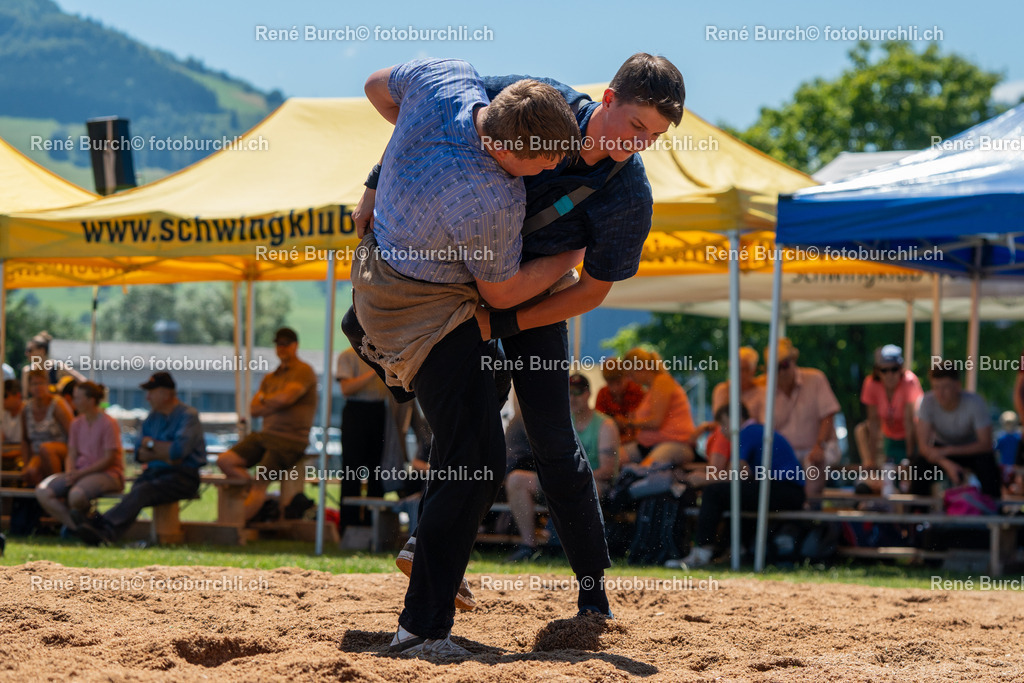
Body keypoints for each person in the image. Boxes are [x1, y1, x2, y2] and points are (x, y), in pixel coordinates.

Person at [350, 54, 685, 625]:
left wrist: (501, 323)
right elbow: (424, 123)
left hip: (532, 300)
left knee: (552, 438)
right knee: (469, 425)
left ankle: (592, 592)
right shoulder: (536, 96)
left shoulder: (628, 197)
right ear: (607, 99)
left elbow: (590, 294)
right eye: (635, 127)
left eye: (654, 137)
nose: (640, 145)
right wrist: (376, 185)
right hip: (455, 282)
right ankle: (432, 558)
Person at [347, 58, 584, 658]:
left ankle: (426, 558)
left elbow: (376, 86)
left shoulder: (445, 80)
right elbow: (503, 294)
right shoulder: (490, 197)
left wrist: (388, 173)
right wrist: (571, 255)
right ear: (504, 146)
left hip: (378, 277)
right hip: (421, 311)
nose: (554, 167)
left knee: (479, 424)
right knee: (477, 457)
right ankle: (421, 628)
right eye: (544, 160)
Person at [666, 403, 806, 568]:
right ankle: (735, 550)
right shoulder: (757, 431)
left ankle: (702, 552)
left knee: (714, 492)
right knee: (734, 495)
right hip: (789, 491)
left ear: (737, 418)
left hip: (783, 489)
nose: (723, 430)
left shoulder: (747, 432)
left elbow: (739, 473)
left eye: (724, 424)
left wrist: (705, 480)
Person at [75, 372, 205, 546]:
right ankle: (103, 529)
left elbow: (177, 452)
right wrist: (163, 451)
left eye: (151, 392)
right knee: (141, 489)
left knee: (143, 490)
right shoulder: (152, 418)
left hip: (183, 477)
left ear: (166, 394)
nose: (147, 397)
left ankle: (100, 525)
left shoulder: (188, 416)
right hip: (155, 473)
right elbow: (138, 454)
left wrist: (151, 446)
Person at [505, 374, 619, 563]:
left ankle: (581, 549)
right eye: (569, 393)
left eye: (578, 393)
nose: (573, 398)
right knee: (516, 479)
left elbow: (608, 471)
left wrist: (572, 477)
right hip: (563, 480)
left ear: (588, 394)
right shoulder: (560, 422)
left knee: (586, 487)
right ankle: (529, 546)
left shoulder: (605, 425)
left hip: (594, 483)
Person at [217, 327, 317, 522]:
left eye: (286, 344)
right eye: (278, 344)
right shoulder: (270, 377)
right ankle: (255, 501)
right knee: (225, 461)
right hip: (265, 435)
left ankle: (235, 526)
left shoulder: (304, 371)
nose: (281, 348)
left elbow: (286, 399)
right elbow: (253, 410)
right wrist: (274, 401)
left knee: (261, 480)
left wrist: (265, 400)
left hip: (289, 440)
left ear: (295, 346)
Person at [35, 381, 123, 532]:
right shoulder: (76, 423)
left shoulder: (109, 423)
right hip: (80, 473)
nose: (73, 401)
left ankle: (87, 527)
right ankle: (78, 529)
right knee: (42, 491)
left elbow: (109, 459)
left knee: (76, 496)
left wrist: (79, 474)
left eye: (78, 398)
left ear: (91, 400)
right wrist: (70, 472)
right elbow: (72, 453)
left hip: (107, 474)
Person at [764, 338, 841, 498]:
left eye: (785, 365)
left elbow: (828, 415)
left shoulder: (815, 378)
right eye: (776, 367)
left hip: (819, 447)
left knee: (814, 464)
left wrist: (820, 445)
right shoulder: (764, 389)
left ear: (794, 362)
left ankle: (809, 513)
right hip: (787, 452)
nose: (782, 372)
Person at [910, 364, 1001, 498]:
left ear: (958, 386)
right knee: (919, 466)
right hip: (941, 451)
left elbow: (985, 444)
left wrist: (947, 451)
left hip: (971, 450)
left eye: (946, 387)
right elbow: (923, 447)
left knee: (988, 464)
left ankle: (994, 510)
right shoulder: (928, 402)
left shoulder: (975, 403)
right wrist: (947, 464)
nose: (940, 393)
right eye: (936, 387)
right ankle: (917, 513)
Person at [336, 347, 391, 534]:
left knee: (378, 470)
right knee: (352, 470)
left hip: (379, 410)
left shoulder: (387, 351)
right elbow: (346, 388)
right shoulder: (348, 356)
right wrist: (375, 370)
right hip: (356, 410)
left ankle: (373, 526)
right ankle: (349, 526)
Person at [623, 346, 696, 466]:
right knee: (613, 460)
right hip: (653, 444)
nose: (631, 379)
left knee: (645, 469)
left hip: (675, 444)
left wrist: (629, 423)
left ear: (641, 368)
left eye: (631, 374)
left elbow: (656, 422)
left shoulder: (662, 381)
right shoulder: (652, 388)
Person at [859, 344, 923, 468]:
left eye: (894, 369)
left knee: (909, 473)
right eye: (884, 370)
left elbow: (910, 423)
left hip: (912, 438)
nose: (890, 375)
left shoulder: (909, 382)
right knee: (889, 475)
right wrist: (871, 459)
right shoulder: (871, 384)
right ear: (877, 371)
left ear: (901, 369)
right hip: (889, 436)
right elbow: (873, 422)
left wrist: (909, 457)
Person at [20, 369, 73, 488]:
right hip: (38, 452)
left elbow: (73, 434)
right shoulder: (26, 409)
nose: (38, 387)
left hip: (61, 449)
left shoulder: (58, 404)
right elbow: (25, 440)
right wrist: (25, 464)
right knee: (31, 472)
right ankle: (39, 503)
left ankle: (57, 489)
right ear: (29, 387)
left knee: (46, 449)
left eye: (41, 383)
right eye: (34, 384)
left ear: (47, 385)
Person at [595, 357, 646, 460]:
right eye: (610, 384)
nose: (615, 389)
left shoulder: (636, 390)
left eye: (618, 383)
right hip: (613, 441)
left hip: (635, 442)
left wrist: (624, 424)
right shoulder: (603, 393)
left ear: (626, 377)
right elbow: (596, 424)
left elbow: (640, 428)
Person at [21, 331, 85, 397]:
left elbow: (83, 381)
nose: (26, 353)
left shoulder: (58, 367)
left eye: (30, 350)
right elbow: (25, 398)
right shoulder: (27, 371)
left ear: (42, 350)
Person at [2, 379, 25, 469]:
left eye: (5, 396)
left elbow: (29, 447)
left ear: (18, 395)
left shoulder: (27, 412)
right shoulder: (4, 414)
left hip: (21, 458)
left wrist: (5, 454)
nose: (2, 399)